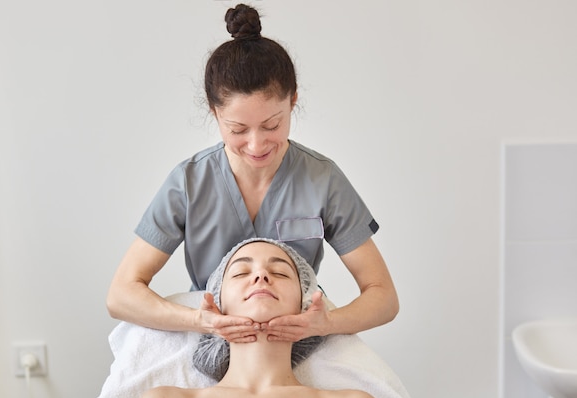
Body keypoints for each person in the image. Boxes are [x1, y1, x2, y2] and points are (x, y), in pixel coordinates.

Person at [107, 3, 398, 344]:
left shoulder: (323, 180)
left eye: (272, 125)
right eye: (238, 129)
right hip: (210, 339)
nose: (256, 144)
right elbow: (121, 295)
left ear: (293, 102)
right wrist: (201, 321)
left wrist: (324, 324)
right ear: (214, 112)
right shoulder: (189, 183)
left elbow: (383, 297)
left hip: (294, 342)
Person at [132, 238, 383, 398]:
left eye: (281, 273)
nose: (261, 275)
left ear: (303, 304)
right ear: (218, 303)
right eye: (241, 272)